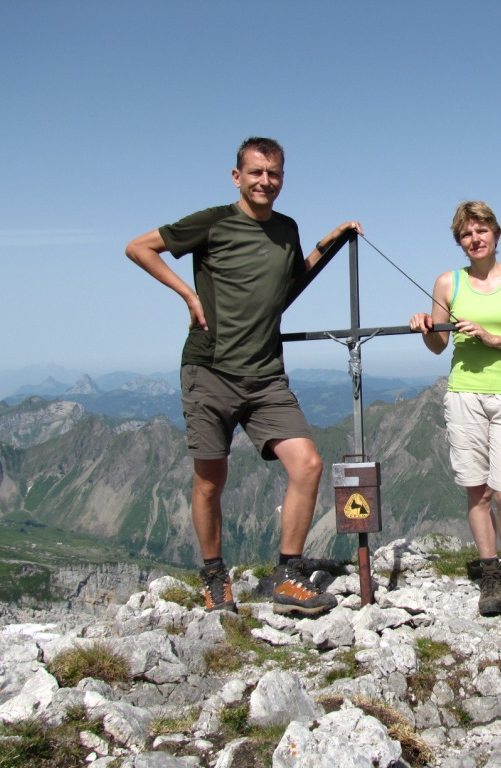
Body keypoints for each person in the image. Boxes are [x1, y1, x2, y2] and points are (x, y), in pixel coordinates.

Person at [125, 136, 362, 617]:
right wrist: (189, 297)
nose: (265, 181)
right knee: (210, 479)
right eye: (256, 172)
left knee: (309, 465)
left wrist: (328, 244)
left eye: (273, 173)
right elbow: (139, 247)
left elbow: (288, 285)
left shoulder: (287, 229)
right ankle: (215, 578)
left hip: (265, 375)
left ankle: (287, 576)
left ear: (282, 178)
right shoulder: (213, 222)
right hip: (209, 369)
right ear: (237, 176)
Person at [409, 201, 501, 616]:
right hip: (463, 393)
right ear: (459, 241)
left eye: (481, 231)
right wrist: (425, 327)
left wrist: (492, 338)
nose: (475, 239)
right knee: (478, 490)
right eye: (466, 234)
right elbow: (438, 346)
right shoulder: (447, 284)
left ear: (496, 235)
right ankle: (490, 575)